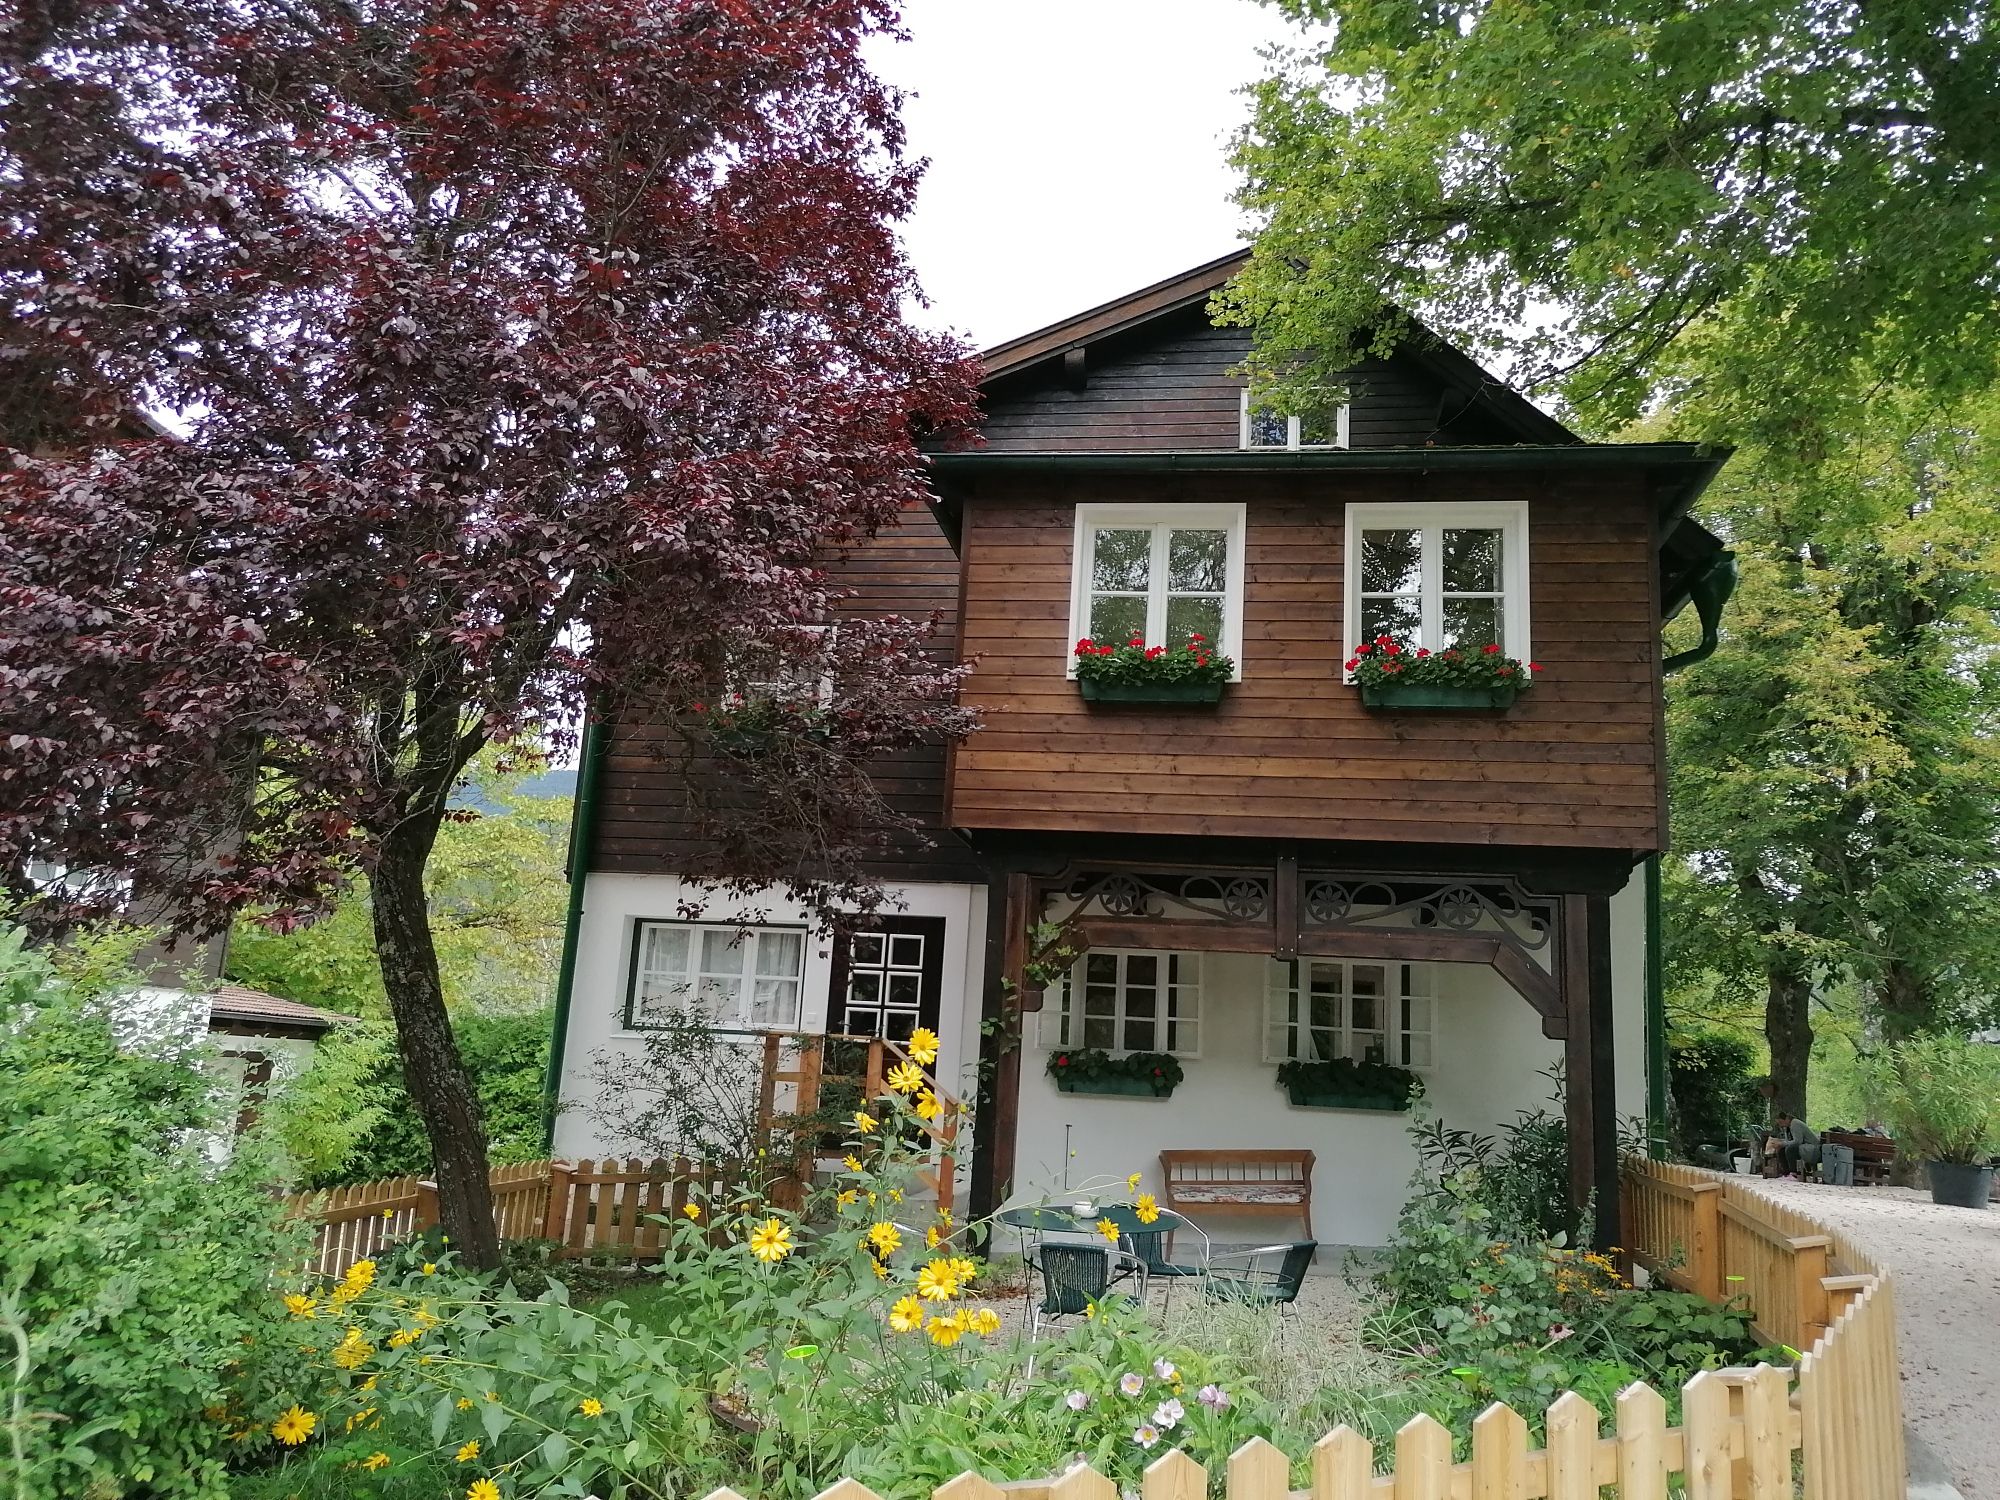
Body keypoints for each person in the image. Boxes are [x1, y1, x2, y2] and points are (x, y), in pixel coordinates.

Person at [1769, 1111, 1821, 1177]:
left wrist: (1782, 1143)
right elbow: (1790, 1141)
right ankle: (1786, 1173)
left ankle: (1794, 1173)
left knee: (1790, 1149)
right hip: (1804, 1146)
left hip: (1813, 1148)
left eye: (1781, 1122)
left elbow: (1797, 1141)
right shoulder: (1788, 1127)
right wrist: (1780, 1143)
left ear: (1786, 1119)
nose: (1781, 1125)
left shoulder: (1795, 1124)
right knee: (1782, 1150)